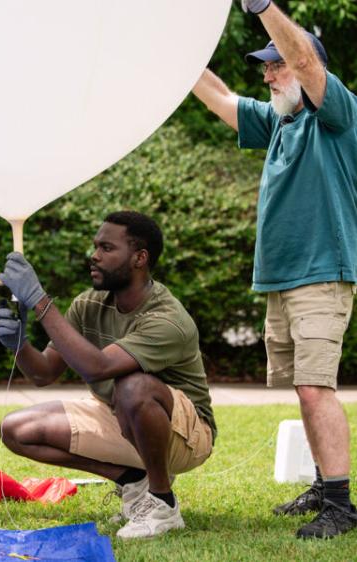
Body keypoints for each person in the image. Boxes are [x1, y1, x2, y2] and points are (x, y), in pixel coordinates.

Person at [192, 0, 357, 539]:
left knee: (315, 387)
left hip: (321, 273)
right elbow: (216, 95)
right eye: (264, 65)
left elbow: (307, 66)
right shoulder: (279, 121)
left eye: (276, 63)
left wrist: (262, 7)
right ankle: (321, 484)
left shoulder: (336, 114)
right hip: (282, 281)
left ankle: (340, 505)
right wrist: (170, 59)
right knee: (302, 388)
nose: (269, 73)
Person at [0, 211, 216, 539]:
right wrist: (19, 345)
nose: (94, 256)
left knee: (133, 385)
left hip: (186, 434)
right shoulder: (88, 305)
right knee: (15, 430)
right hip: (120, 415)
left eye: (107, 248)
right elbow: (43, 373)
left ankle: (162, 502)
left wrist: (40, 301)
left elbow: (98, 367)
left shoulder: (168, 319)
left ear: (140, 258)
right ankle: (133, 482)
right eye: (95, 246)